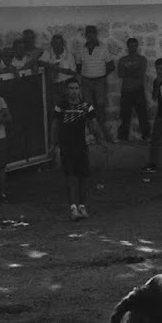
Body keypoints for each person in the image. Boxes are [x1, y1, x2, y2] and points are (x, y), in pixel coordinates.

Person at [51, 79, 97, 219]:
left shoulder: (87, 106)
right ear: (67, 90)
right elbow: (55, 125)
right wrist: (53, 144)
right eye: (71, 88)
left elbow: (94, 124)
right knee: (70, 176)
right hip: (66, 145)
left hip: (81, 145)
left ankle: (82, 206)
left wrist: (99, 139)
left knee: (83, 176)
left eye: (76, 88)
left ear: (80, 90)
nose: (74, 91)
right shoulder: (60, 106)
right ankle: (73, 208)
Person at [78, 25, 115, 144]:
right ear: (86, 35)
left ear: (96, 34)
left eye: (92, 33)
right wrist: (87, 74)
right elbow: (79, 67)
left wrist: (101, 75)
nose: (90, 35)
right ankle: (92, 134)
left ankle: (101, 134)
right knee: (89, 108)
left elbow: (111, 66)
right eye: (88, 33)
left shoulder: (103, 48)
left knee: (100, 106)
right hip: (86, 82)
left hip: (100, 82)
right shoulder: (81, 49)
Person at [115, 37, 151, 142]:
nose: (133, 47)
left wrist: (127, 70)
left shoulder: (142, 59)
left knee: (142, 114)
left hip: (138, 89)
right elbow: (120, 74)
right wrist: (133, 71)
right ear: (128, 47)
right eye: (131, 46)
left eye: (135, 45)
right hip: (126, 90)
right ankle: (122, 137)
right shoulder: (122, 60)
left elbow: (140, 73)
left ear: (137, 46)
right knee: (124, 115)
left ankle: (146, 136)